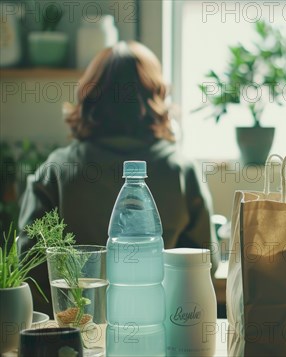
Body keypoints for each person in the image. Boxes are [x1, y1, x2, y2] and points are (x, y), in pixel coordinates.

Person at [18, 41, 219, 314]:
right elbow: (207, 263)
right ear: (155, 98)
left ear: (89, 98)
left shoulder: (56, 170)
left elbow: (29, 268)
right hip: (154, 324)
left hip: (74, 332)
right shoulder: (181, 170)